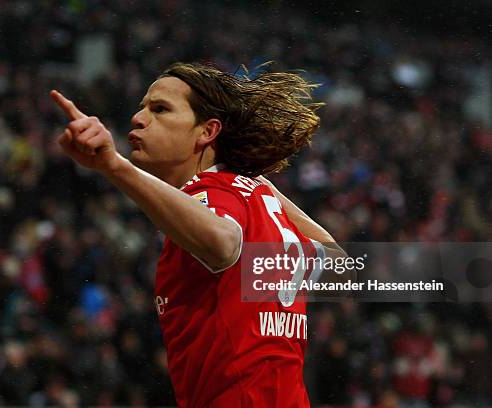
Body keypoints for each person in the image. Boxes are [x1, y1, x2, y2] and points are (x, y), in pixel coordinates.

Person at [51, 62, 343, 407]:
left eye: (160, 109)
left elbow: (223, 241)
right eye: (143, 106)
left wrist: (114, 166)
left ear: (207, 132)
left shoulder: (212, 193)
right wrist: (256, 182)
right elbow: (341, 265)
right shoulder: (258, 201)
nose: (138, 117)